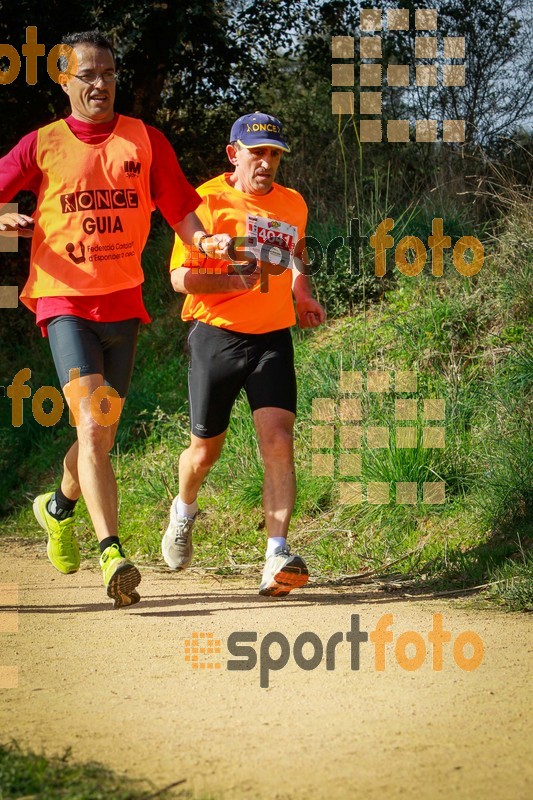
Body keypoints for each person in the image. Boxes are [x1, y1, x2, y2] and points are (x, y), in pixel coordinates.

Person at [0, 31, 230, 608]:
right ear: (64, 80)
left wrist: (209, 244)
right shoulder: (42, 144)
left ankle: (58, 508)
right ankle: (113, 554)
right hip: (63, 300)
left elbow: (181, 208)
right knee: (93, 427)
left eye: (107, 73)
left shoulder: (144, 140)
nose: (99, 83)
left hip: (122, 303)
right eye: (87, 74)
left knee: (98, 431)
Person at [161, 112, 325, 596]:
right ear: (234, 154)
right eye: (258, 153)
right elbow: (177, 279)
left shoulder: (292, 204)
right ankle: (184, 511)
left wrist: (303, 294)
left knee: (278, 438)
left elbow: (293, 256)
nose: (267, 163)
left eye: (275, 154)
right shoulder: (205, 203)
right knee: (205, 450)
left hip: (273, 337)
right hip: (217, 335)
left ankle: (276, 554)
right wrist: (232, 280)